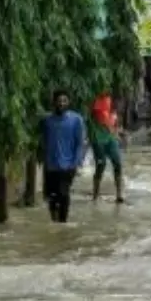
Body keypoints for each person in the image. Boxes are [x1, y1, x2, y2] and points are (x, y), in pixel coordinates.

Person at [39, 90, 87, 223]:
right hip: (51, 165)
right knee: (52, 197)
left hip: (68, 165)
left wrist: (75, 162)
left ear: (68, 102)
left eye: (64, 101)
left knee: (63, 194)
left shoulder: (76, 120)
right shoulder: (47, 121)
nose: (61, 103)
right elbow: (42, 140)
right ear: (54, 102)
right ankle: (55, 223)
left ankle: (62, 223)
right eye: (59, 101)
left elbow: (80, 142)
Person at [89, 90, 126, 204]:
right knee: (101, 164)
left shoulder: (113, 108)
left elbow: (114, 123)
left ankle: (119, 195)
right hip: (98, 137)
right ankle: (95, 196)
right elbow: (101, 120)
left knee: (118, 163)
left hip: (110, 138)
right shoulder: (98, 102)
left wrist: (118, 132)